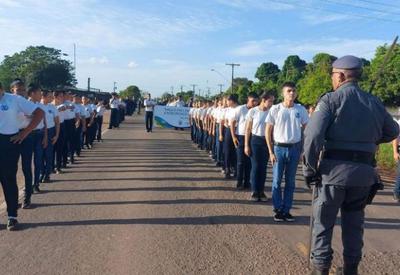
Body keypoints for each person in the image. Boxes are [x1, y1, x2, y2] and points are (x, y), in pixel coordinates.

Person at [303, 55, 399, 275]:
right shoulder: (373, 101)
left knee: (323, 224)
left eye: (333, 75)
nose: (332, 79)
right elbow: (393, 131)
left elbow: (313, 136)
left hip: (333, 174)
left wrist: (309, 170)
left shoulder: (330, 100)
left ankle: (320, 269)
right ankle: (350, 270)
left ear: (341, 76)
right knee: (354, 225)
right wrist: (367, 141)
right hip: (363, 176)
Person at [0, 81, 44, 230]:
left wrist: (25, 133)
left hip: (9, 141)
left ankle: (12, 216)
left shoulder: (15, 99)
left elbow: (39, 113)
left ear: (2, 90)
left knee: (8, 178)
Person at [266, 82, 309, 222]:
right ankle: (278, 208)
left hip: (295, 149)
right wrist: (271, 151)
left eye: (294, 91)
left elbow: (306, 130)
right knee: (277, 181)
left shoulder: (301, 109)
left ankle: (286, 209)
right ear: (283, 93)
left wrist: (304, 150)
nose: (292, 93)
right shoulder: (275, 109)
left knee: (290, 182)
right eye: (289, 91)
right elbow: (268, 131)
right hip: (278, 149)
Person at [244, 92, 274, 202]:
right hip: (255, 140)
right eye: (270, 101)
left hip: (267, 141)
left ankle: (261, 191)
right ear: (263, 100)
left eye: (272, 101)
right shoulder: (253, 111)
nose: (271, 103)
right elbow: (247, 129)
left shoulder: (271, 112)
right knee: (256, 166)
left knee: (263, 167)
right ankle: (254, 191)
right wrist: (246, 145)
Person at [231, 92, 259, 189]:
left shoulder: (257, 110)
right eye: (253, 101)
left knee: (249, 162)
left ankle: (247, 182)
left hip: (252, 137)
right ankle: (239, 182)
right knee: (240, 162)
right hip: (240, 137)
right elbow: (232, 122)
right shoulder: (240, 109)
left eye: (256, 101)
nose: (254, 103)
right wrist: (234, 137)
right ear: (248, 99)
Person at [27, 84, 48, 194]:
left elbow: (44, 123)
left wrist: (45, 137)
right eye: (39, 92)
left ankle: (36, 183)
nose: (41, 95)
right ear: (32, 93)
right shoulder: (23, 105)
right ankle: (28, 185)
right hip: (28, 135)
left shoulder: (41, 106)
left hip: (39, 135)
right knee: (27, 162)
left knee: (38, 160)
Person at [41, 90, 60, 183]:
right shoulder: (37, 106)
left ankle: (47, 174)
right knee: (39, 155)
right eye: (49, 96)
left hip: (50, 131)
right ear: (43, 97)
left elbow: (57, 122)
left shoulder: (52, 107)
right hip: (40, 132)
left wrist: (56, 135)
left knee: (48, 154)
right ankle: (41, 173)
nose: (51, 98)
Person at [223, 95, 239, 179]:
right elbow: (225, 120)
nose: (226, 103)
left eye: (227, 101)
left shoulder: (239, 109)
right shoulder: (228, 110)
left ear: (232, 101)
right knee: (228, 150)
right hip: (229, 130)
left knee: (236, 151)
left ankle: (236, 169)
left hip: (238, 130)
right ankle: (227, 169)